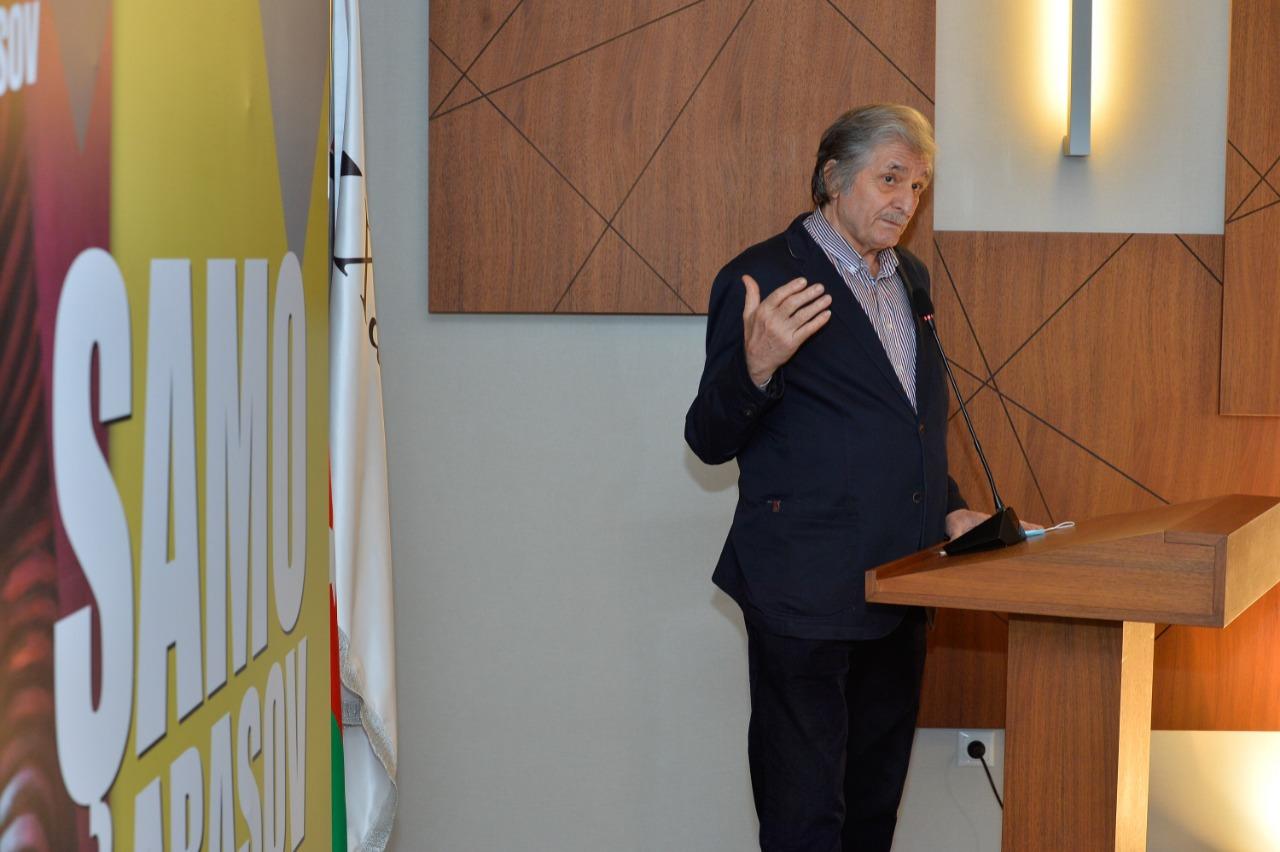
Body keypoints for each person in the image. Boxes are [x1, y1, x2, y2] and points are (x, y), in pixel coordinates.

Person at [685, 104, 988, 851]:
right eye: (891, 179)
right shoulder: (763, 277)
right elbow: (708, 437)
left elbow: (907, 424)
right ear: (833, 177)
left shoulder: (910, 278)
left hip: (902, 586)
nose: (905, 201)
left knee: (871, 814)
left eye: (918, 186)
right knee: (805, 820)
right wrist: (756, 365)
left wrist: (949, 508)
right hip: (805, 594)